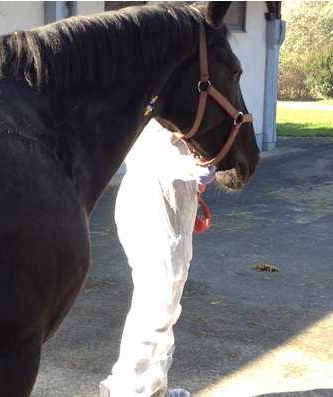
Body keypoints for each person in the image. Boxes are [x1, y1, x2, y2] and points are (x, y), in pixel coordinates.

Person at [100, 119, 214, 397]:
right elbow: (152, 150)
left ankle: (152, 386)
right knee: (158, 301)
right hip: (157, 197)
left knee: (166, 300)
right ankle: (132, 390)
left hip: (171, 196)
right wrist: (196, 169)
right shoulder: (159, 94)